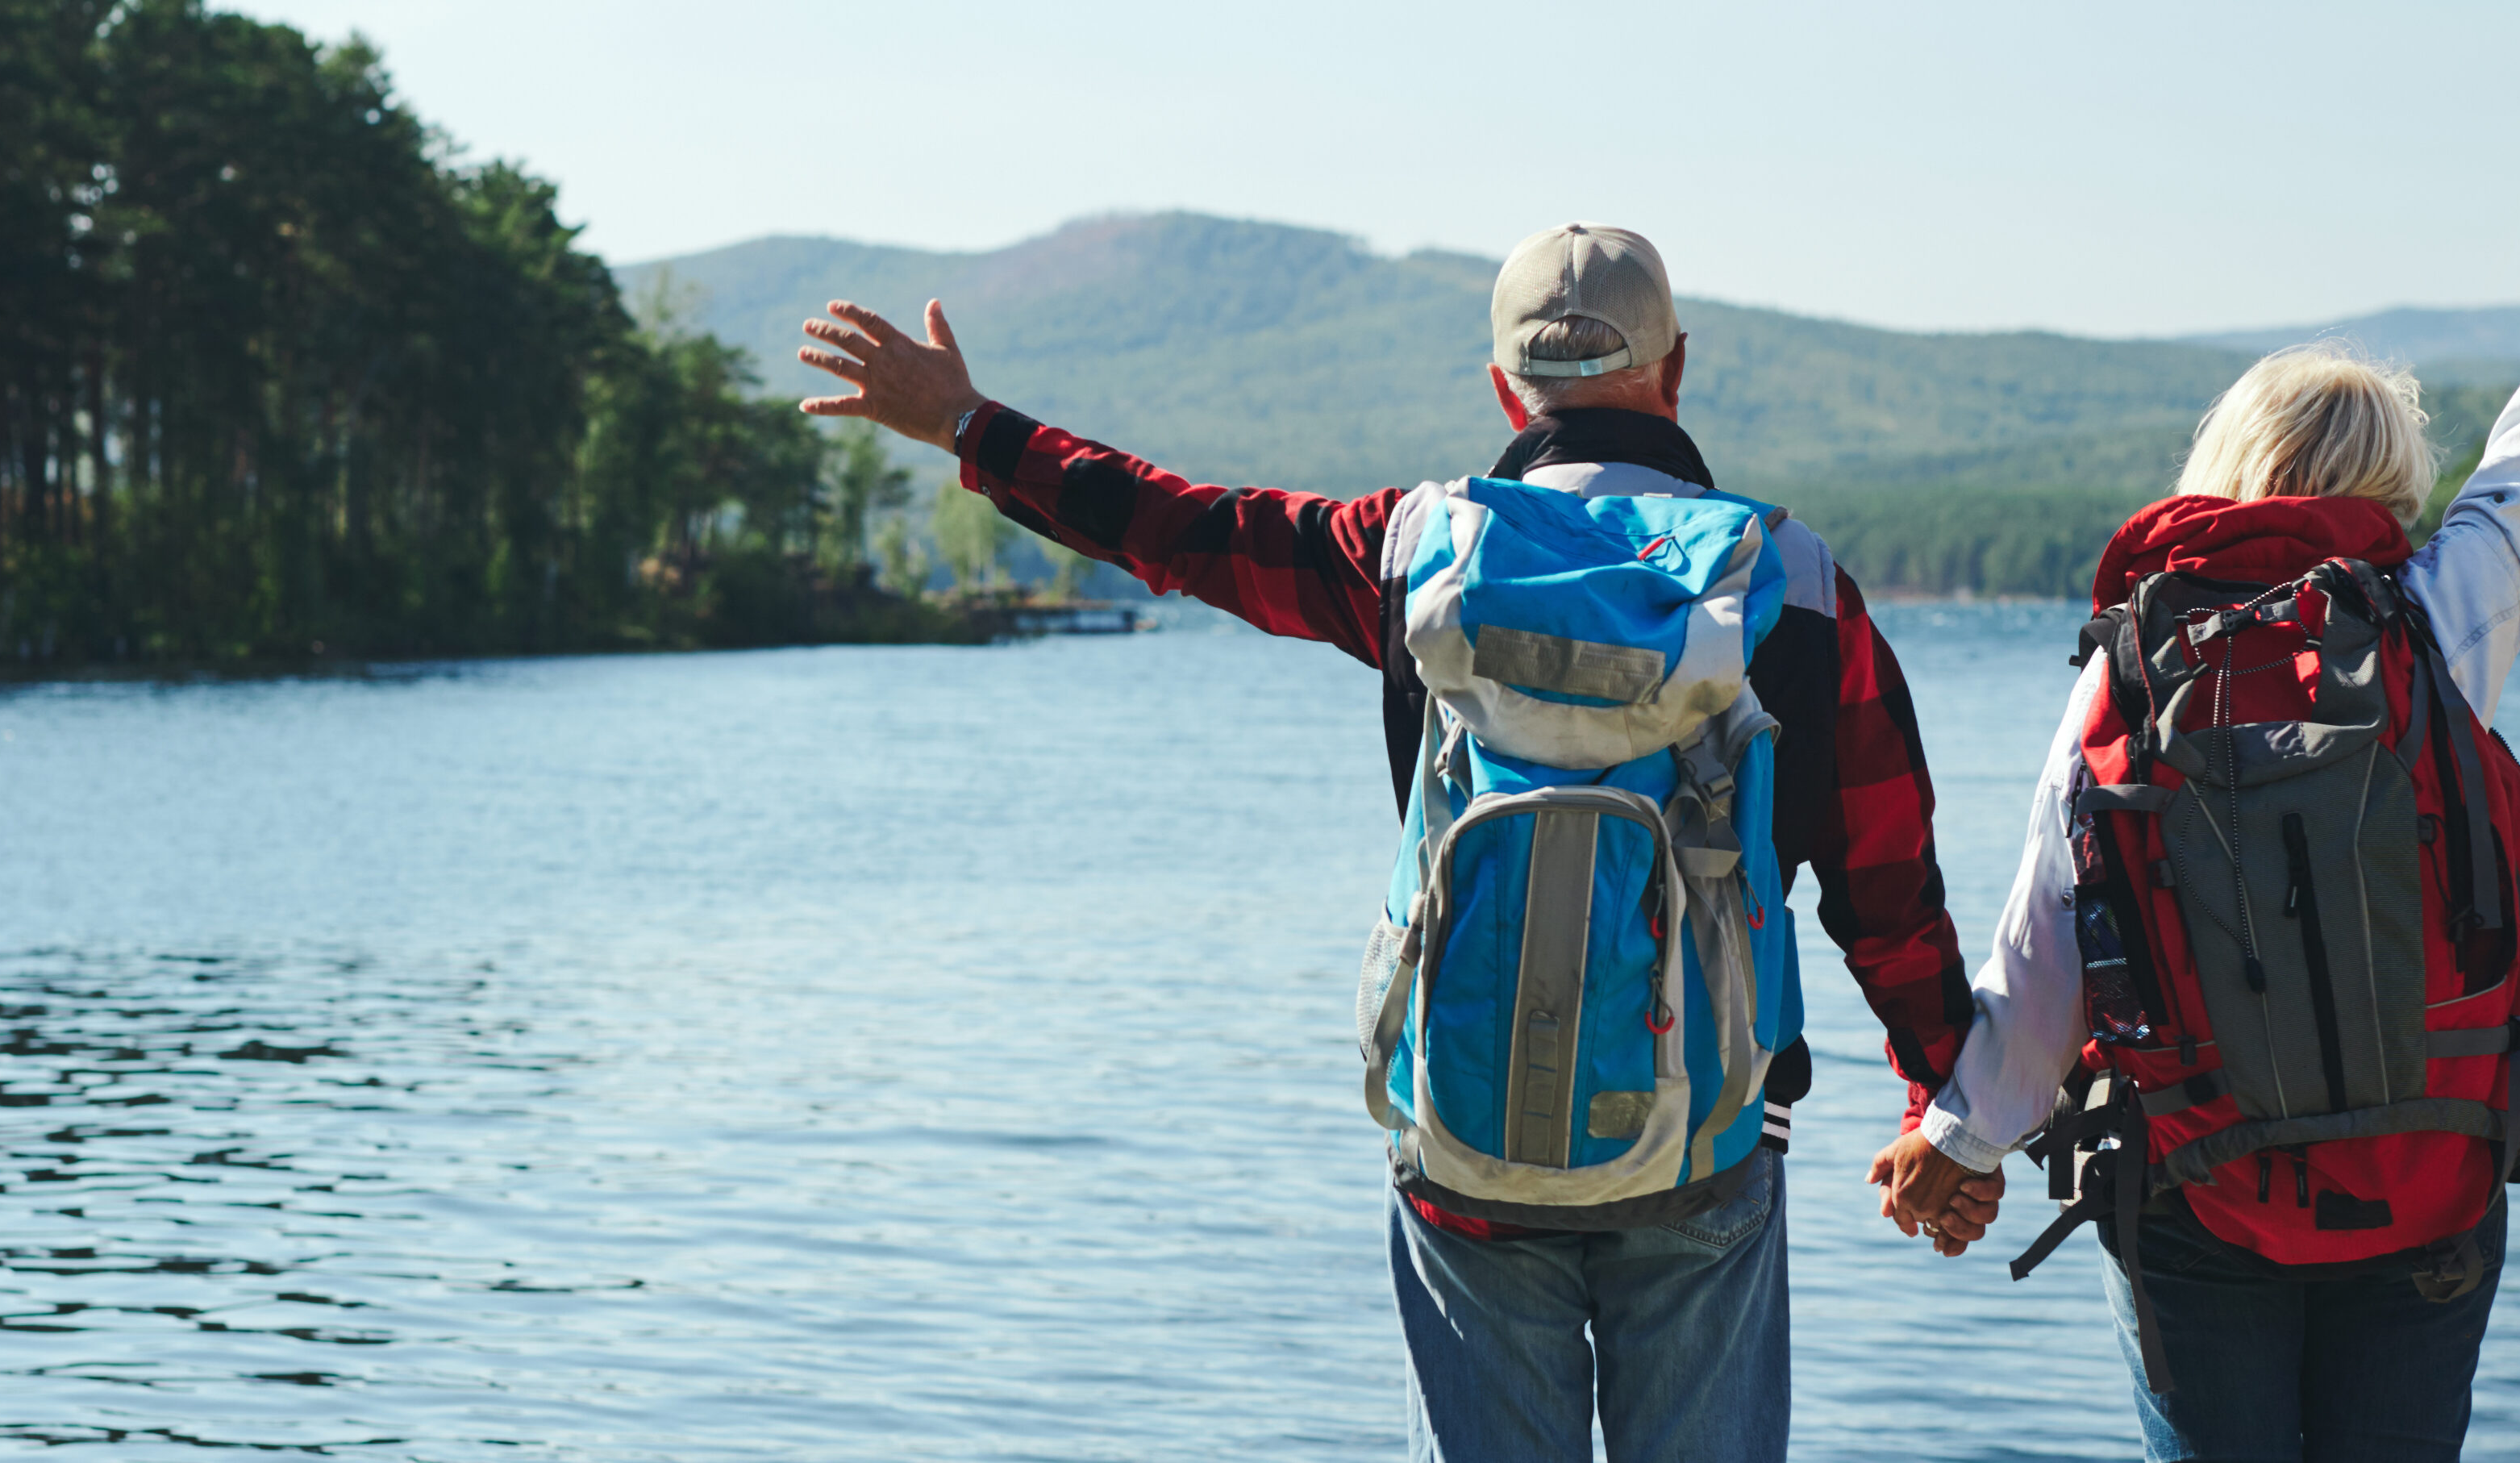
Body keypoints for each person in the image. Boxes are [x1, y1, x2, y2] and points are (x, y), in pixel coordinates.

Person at [793, 225, 1992, 1460]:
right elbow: (1889, 889)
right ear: (1675, 370)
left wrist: (971, 427)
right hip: (1706, 1148)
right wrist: (1949, 1113)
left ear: (1503, 391)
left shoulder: (1414, 548)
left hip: (1466, 1143)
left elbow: (1184, 528)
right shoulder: (1790, 583)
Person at [1897, 46, 2520, 1463]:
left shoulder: (2132, 665)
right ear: (2394, 498)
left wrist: (1958, 1143)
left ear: (2220, 465)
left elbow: (2050, 946)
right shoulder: (2427, 621)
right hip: (2426, 1182)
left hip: (2199, 1194)